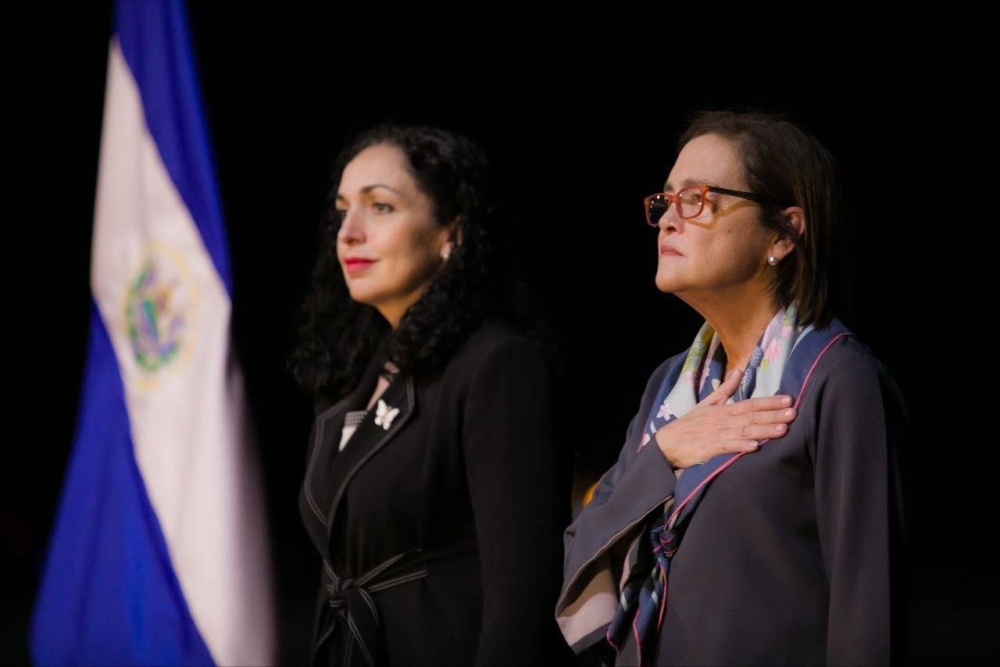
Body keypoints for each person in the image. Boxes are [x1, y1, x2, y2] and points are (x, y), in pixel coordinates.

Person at [555, 109, 910, 666]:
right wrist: (665, 454)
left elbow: (868, 610)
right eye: (665, 201)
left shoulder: (836, 379)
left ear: (784, 232)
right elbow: (583, 540)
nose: (669, 219)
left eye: (696, 198)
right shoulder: (671, 387)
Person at [288, 123, 574, 667]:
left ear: (452, 234)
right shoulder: (349, 380)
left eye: (381, 207)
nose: (348, 232)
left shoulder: (499, 364)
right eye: (343, 208)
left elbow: (520, 606)